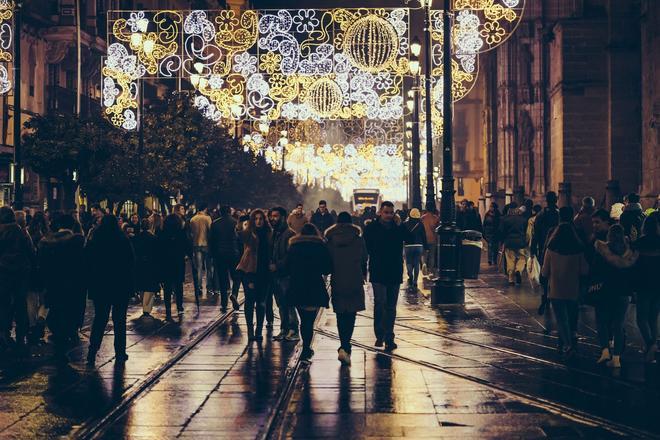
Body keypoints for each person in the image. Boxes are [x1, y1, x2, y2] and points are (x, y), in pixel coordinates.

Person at [85, 215, 136, 366]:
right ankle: (120, 352)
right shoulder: (123, 240)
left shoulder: (95, 240)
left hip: (101, 285)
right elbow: (130, 262)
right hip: (120, 285)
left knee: (100, 318)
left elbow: (88, 261)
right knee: (119, 320)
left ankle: (92, 351)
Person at [541, 207, 588, 360]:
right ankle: (568, 341)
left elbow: (544, 272)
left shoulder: (551, 247)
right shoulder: (578, 247)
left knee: (561, 318)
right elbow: (584, 271)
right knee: (571, 315)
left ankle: (566, 344)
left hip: (556, 289)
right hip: (573, 288)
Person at [363, 201, 412, 351]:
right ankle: (380, 334)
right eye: (386, 212)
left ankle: (389, 337)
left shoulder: (398, 227)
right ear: (380, 212)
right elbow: (366, 247)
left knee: (391, 306)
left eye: (391, 213)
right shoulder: (371, 227)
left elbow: (409, 238)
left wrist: (401, 224)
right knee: (380, 302)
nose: (389, 215)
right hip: (378, 271)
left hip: (394, 271)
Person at [38, 214, 85, 364]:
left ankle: (58, 346)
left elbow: (42, 266)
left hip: (53, 285)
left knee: (55, 313)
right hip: (72, 286)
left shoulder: (47, 243)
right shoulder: (77, 243)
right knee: (67, 315)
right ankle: (62, 347)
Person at [592, 224, 638, 368]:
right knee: (619, 324)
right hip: (623, 293)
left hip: (605, 291)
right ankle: (616, 358)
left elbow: (595, 269)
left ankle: (605, 351)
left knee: (602, 321)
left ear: (609, 235)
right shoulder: (630, 253)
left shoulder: (601, 249)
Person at [325, 212, 368, 365]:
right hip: (354, 280)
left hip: (338, 280)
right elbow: (364, 257)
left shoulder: (330, 239)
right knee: (351, 314)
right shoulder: (358, 238)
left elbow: (327, 262)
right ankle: (345, 346)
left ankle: (344, 345)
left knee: (340, 315)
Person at [286, 223, 332, 362]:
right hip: (314, 285)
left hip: (297, 285)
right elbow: (327, 268)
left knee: (303, 319)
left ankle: (305, 347)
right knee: (309, 320)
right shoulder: (320, 246)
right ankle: (306, 347)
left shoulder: (294, 246)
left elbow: (288, 266)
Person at [0, 207, 34, 354]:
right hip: (21, 273)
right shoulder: (21, 232)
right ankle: (21, 335)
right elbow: (31, 252)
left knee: (4, 304)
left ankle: (4, 333)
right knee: (21, 303)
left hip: (3, 272)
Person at [236, 209, 272, 342]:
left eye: (261, 219)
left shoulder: (269, 233)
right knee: (250, 301)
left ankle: (258, 330)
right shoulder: (248, 233)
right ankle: (250, 329)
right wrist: (240, 222)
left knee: (262, 303)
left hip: (265, 272)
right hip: (250, 272)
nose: (258, 221)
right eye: (256, 219)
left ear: (264, 220)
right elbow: (239, 235)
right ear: (252, 220)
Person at [632, 213, 660, 362]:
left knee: (641, 318)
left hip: (643, 285)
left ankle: (650, 344)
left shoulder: (639, 243)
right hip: (658, 285)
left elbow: (634, 266)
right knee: (653, 317)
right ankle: (653, 345)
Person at [269, 207, 299, 341]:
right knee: (281, 304)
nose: (272, 219)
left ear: (283, 217)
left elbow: (290, 256)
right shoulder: (274, 233)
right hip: (276, 275)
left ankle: (293, 330)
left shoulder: (289, 234)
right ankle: (284, 329)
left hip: (286, 275)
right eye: (271, 216)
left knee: (289, 303)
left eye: (275, 216)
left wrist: (277, 265)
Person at [209, 205, 241, 312]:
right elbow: (240, 240)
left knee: (222, 279)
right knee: (236, 277)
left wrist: (212, 255)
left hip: (220, 254)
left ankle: (224, 303)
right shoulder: (235, 222)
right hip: (234, 253)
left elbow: (212, 241)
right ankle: (235, 294)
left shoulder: (215, 223)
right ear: (230, 212)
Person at [158, 214, 190, 320]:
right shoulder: (181, 233)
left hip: (166, 263)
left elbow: (158, 249)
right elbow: (187, 246)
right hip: (178, 262)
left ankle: (168, 308)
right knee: (178, 285)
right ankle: (179, 306)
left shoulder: (162, 233)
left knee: (167, 287)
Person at [133, 218, 160, 318]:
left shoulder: (136, 238)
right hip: (150, 264)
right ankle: (147, 308)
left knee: (141, 286)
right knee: (149, 287)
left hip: (139, 264)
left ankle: (144, 304)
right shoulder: (153, 238)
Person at [499, 207, 529, 285]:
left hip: (509, 242)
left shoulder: (505, 220)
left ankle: (511, 280)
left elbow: (501, 232)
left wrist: (502, 242)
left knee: (510, 260)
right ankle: (518, 270)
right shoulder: (523, 220)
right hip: (520, 242)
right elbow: (526, 232)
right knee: (522, 258)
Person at [190, 202, 214, 297]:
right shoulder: (207, 218)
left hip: (196, 245)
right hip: (206, 245)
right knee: (209, 268)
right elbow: (210, 231)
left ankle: (199, 287)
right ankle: (209, 287)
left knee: (199, 267)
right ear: (205, 209)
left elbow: (191, 233)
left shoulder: (193, 219)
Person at [403, 208, 427, 291]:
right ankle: (415, 281)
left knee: (409, 263)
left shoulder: (405, 224)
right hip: (419, 245)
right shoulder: (420, 224)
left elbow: (402, 236)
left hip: (408, 246)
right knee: (416, 263)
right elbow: (424, 236)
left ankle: (410, 276)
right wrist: (426, 247)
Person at [420, 205, 440, 276]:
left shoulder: (422, 218)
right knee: (432, 255)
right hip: (433, 239)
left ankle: (424, 264)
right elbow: (437, 229)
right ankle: (430, 270)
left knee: (424, 254)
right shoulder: (436, 218)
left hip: (424, 239)